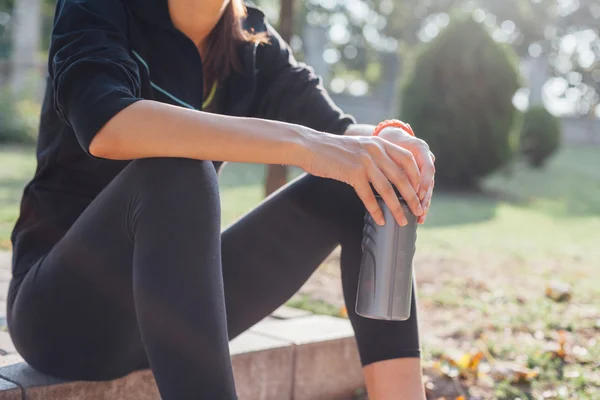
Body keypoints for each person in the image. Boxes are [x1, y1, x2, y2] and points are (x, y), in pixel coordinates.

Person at [7, 0, 436, 398]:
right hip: (64, 315)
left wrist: (390, 146)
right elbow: (106, 122)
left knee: (373, 180)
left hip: (176, 312)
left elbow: (339, 132)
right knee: (177, 169)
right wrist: (305, 145)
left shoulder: (251, 38)